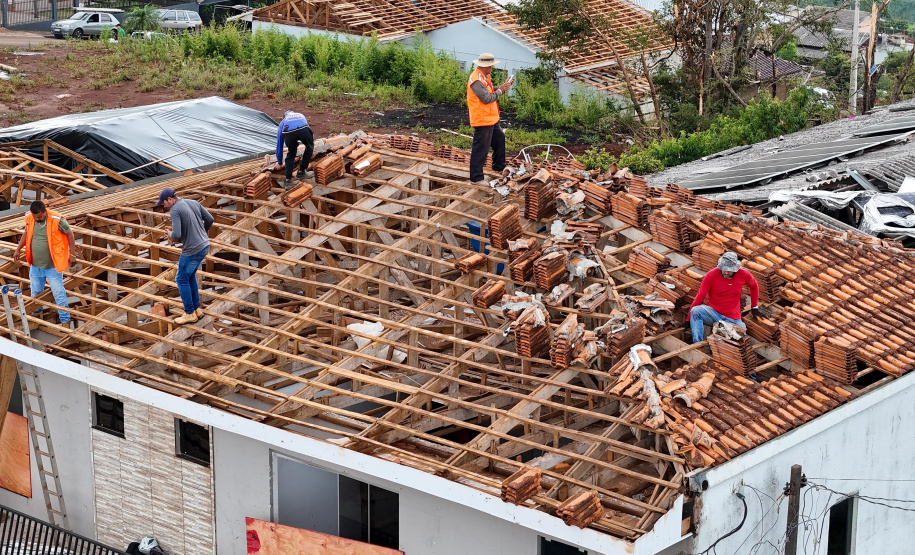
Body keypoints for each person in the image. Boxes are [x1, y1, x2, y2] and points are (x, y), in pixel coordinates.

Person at [13, 201, 78, 326]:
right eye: (36, 217)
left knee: (58, 293)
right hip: (36, 266)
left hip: (52, 266)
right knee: (36, 293)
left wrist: (73, 254)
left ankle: (65, 320)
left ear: (45, 211)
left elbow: (70, 234)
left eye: (40, 217)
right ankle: (37, 315)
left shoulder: (57, 220)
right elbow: (26, 233)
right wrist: (18, 249)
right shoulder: (30, 218)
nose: (37, 219)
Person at [156, 188, 214, 325]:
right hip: (204, 245)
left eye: (164, 203)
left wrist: (169, 235)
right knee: (190, 276)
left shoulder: (175, 209)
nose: (164, 206)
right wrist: (201, 233)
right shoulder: (193, 202)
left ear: (170, 199)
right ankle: (197, 309)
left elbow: (177, 234)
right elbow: (210, 219)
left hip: (192, 249)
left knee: (181, 279)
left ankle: (189, 313)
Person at [686, 251, 761, 343]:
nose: (725, 272)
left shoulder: (744, 274)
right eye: (723, 269)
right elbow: (700, 296)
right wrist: (688, 319)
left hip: (733, 318)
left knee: (742, 336)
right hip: (713, 314)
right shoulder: (711, 275)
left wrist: (754, 307)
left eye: (729, 270)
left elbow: (754, 286)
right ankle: (697, 343)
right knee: (696, 311)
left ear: (735, 269)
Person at [467, 53, 513, 185]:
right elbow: (486, 98)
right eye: (491, 66)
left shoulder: (484, 76)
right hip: (482, 120)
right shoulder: (476, 80)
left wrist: (502, 87)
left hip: (490, 118)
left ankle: (499, 166)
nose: (492, 68)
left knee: (499, 138)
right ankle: (476, 178)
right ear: (485, 66)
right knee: (481, 148)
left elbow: (489, 90)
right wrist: (500, 91)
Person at [275, 110, 314, 189]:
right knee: (309, 147)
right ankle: (301, 172)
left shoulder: (283, 122)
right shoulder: (300, 115)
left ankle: (288, 181)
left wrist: (279, 162)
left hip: (289, 133)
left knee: (291, 153)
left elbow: (279, 143)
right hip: (303, 129)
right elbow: (309, 131)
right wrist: (310, 148)